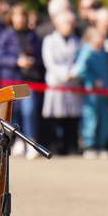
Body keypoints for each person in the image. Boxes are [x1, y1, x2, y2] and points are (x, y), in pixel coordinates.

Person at [0, 3, 43, 158]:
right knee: (15, 113)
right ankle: (18, 141)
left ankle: (31, 142)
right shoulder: (5, 35)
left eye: (23, 15)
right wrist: (16, 61)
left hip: (28, 80)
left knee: (29, 111)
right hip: (11, 80)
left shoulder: (33, 35)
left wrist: (32, 61)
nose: (20, 19)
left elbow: (41, 57)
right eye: (17, 16)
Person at [41, 9, 82, 155]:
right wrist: (65, 74)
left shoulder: (77, 41)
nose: (69, 26)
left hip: (73, 84)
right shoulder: (49, 41)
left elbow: (80, 61)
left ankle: (71, 146)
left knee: (71, 118)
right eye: (66, 23)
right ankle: (56, 146)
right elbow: (50, 63)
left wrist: (73, 73)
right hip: (56, 83)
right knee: (56, 117)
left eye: (71, 23)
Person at [73, 26, 108, 157]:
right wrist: (92, 79)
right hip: (91, 91)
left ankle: (101, 145)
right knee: (90, 117)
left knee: (104, 118)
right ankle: (88, 145)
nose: (101, 39)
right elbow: (80, 69)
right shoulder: (87, 51)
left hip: (105, 91)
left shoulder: (104, 52)